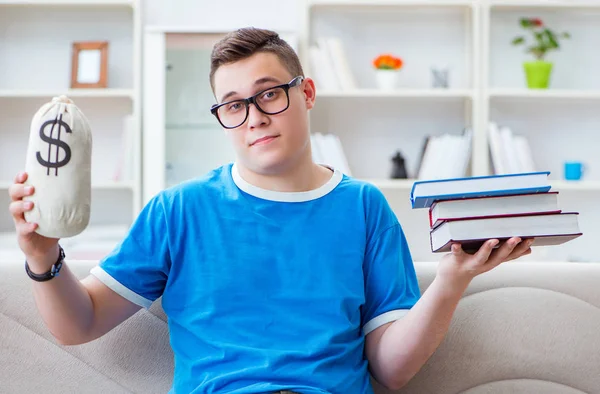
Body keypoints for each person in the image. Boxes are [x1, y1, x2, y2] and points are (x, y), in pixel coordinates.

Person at [7, 27, 533, 394]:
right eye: (234, 105)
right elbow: (79, 323)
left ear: (305, 93)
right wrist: (41, 253)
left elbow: (392, 371)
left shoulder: (364, 208)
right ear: (223, 117)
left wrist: (452, 280)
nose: (254, 117)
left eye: (269, 95)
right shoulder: (178, 210)